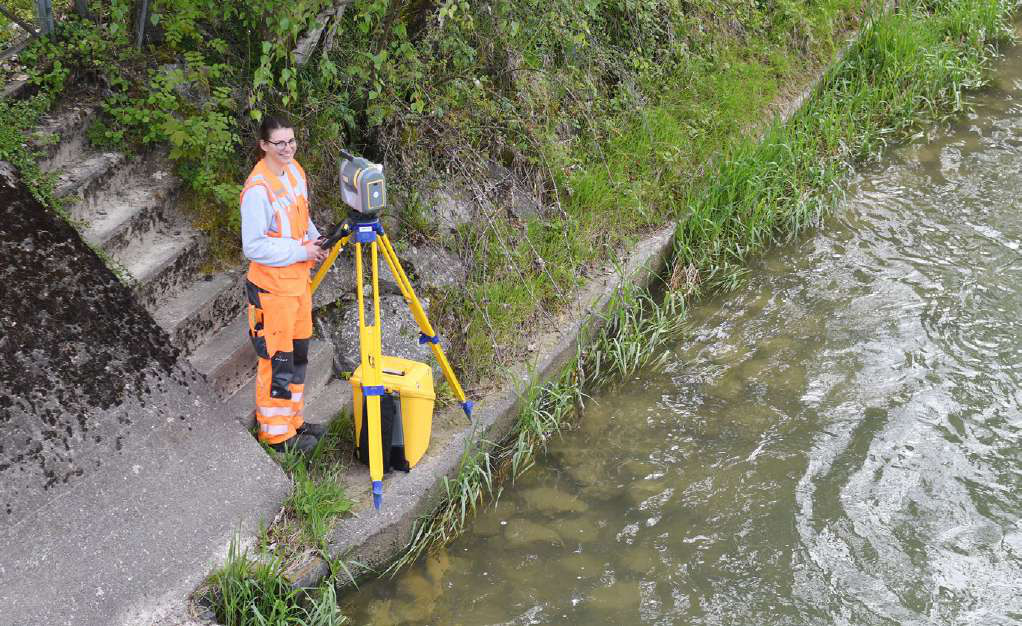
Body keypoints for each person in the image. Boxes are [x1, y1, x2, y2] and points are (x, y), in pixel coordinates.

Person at [240, 115, 329, 454]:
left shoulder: (294, 171)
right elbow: (254, 246)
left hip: (297, 285)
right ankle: (276, 436)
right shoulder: (257, 190)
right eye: (280, 143)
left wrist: (315, 239)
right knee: (277, 362)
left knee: (299, 357)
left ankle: (294, 422)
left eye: (291, 141)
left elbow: (301, 216)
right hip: (272, 290)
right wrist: (299, 250)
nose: (288, 148)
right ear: (264, 145)